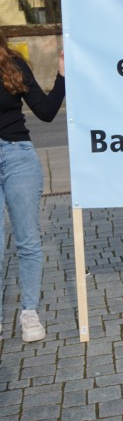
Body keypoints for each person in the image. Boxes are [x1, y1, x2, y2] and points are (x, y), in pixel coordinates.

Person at [0, 36, 65, 342]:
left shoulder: (14, 66)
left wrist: (62, 76)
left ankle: (29, 312)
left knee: (27, 240)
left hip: (18, 157)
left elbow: (46, 111)